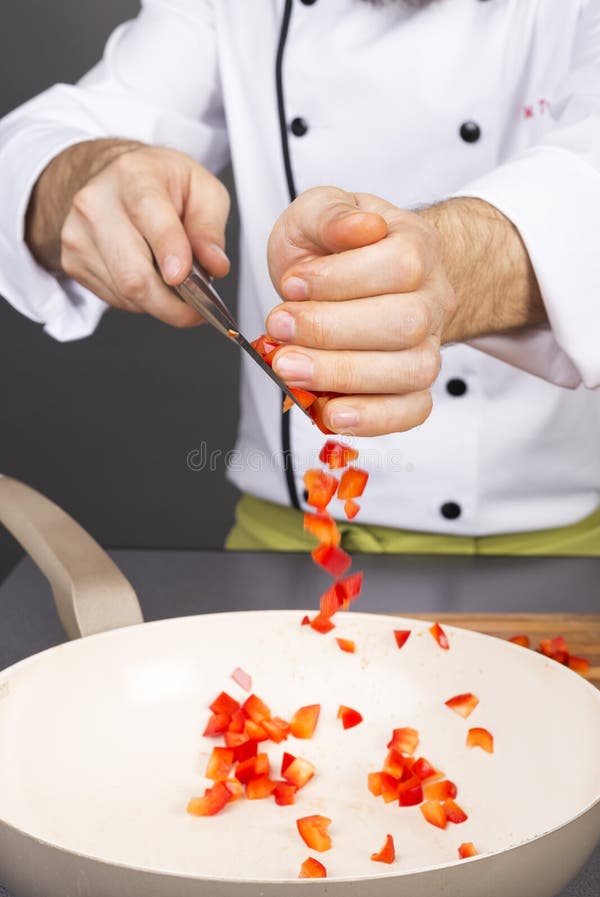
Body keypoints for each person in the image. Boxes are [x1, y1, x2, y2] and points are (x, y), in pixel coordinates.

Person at [0, 0, 599, 556]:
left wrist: (449, 270)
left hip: (558, 551)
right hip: (286, 545)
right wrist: (85, 175)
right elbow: (43, 139)